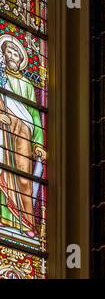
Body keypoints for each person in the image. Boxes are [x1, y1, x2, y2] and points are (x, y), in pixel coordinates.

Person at [0, 35, 46, 239]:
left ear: (21, 58)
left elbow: (35, 115)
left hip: (25, 135)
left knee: (24, 179)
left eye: (15, 52)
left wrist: (39, 143)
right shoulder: (1, 78)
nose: (11, 55)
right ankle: (5, 218)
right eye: (7, 52)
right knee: (4, 172)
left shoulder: (27, 85)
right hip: (3, 130)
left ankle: (26, 222)